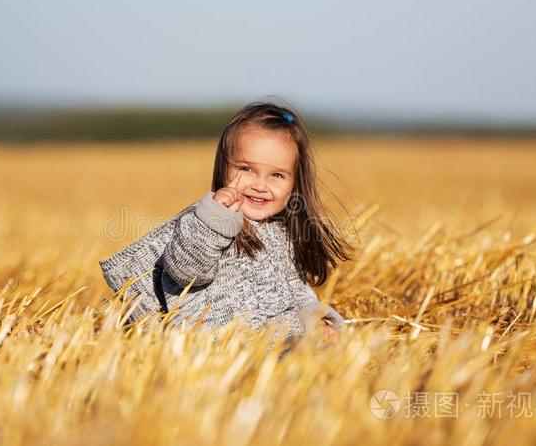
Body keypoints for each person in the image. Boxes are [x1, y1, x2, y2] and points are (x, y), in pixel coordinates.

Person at [99, 101, 355, 344]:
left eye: (277, 175)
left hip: (276, 340)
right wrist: (214, 220)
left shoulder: (283, 234)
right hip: (224, 345)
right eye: (246, 169)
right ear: (223, 168)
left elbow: (297, 292)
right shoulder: (202, 221)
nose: (260, 185)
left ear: (294, 183)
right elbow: (186, 271)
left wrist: (315, 319)